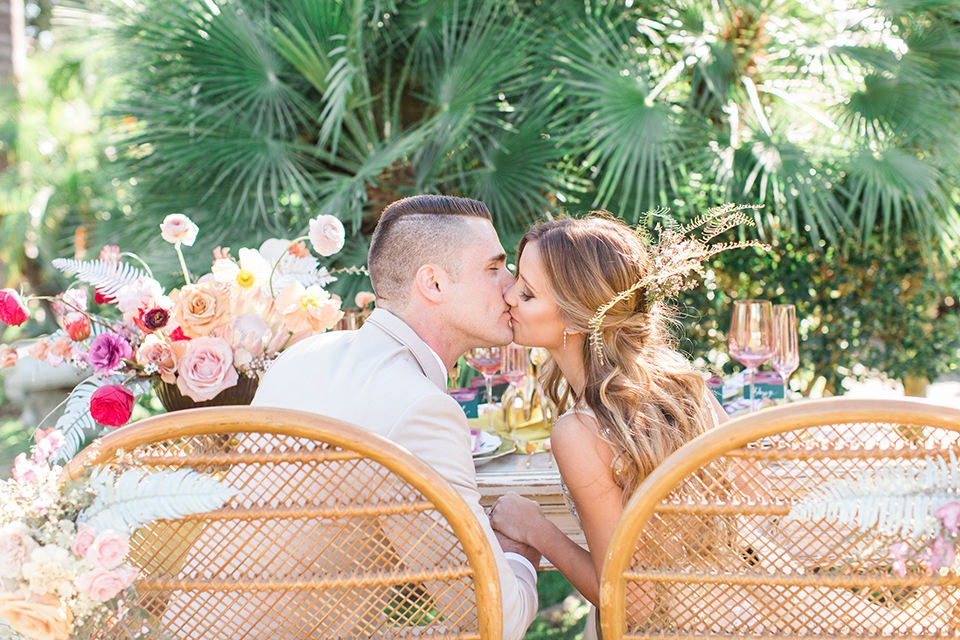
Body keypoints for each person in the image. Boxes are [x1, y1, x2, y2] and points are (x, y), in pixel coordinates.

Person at [251, 195, 540, 639]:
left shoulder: (303, 353)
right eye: (494, 267)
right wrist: (519, 552)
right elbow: (494, 619)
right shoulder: (419, 407)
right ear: (434, 284)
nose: (510, 284)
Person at [488, 214, 730, 636]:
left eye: (526, 293)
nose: (507, 295)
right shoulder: (684, 386)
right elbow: (752, 493)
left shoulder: (580, 432)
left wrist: (536, 529)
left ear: (579, 320)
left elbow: (630, 602)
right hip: (735, 608)